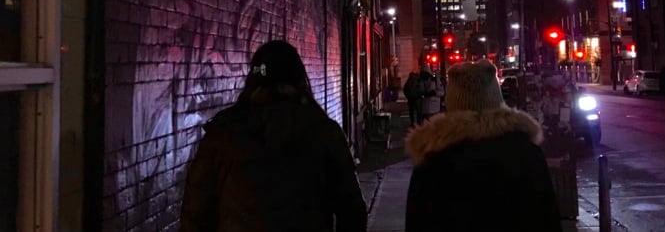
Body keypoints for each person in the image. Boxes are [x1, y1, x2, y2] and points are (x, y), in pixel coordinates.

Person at [180, 40, 367, 232]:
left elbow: (196, 214)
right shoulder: (323, 130)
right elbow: (352, 210)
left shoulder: (222, 133)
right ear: (298, 78)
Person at [404, 59, 562, 232]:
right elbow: (547, 215)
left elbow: (417, 222)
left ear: (451, 103)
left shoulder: (433, 158)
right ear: (496, 99)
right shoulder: (526, 152)